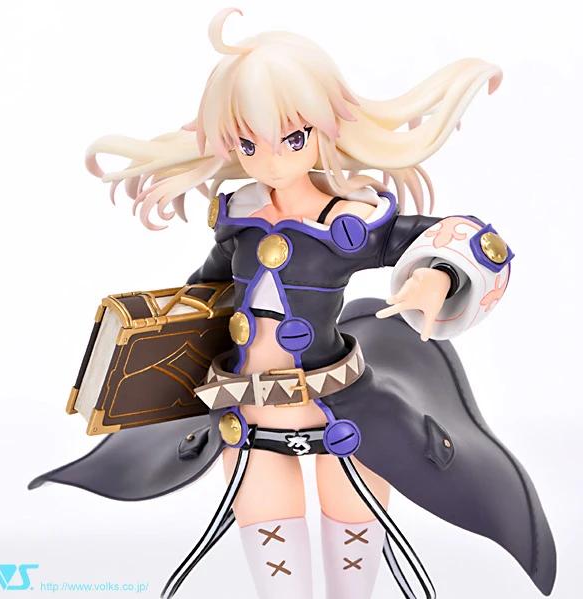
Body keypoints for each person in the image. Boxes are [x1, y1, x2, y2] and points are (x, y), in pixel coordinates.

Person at [28, 8, 556, 599]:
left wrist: (437, 276)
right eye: (247, 142)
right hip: (248, 414)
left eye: (292, 137)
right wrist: (152, 342)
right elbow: (205, 294)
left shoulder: (347, 224)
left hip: (343, 416)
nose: (271, 158)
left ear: (323, 128)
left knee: (350, 561)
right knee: (275, 563)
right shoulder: (239, 217)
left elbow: (462, 237)